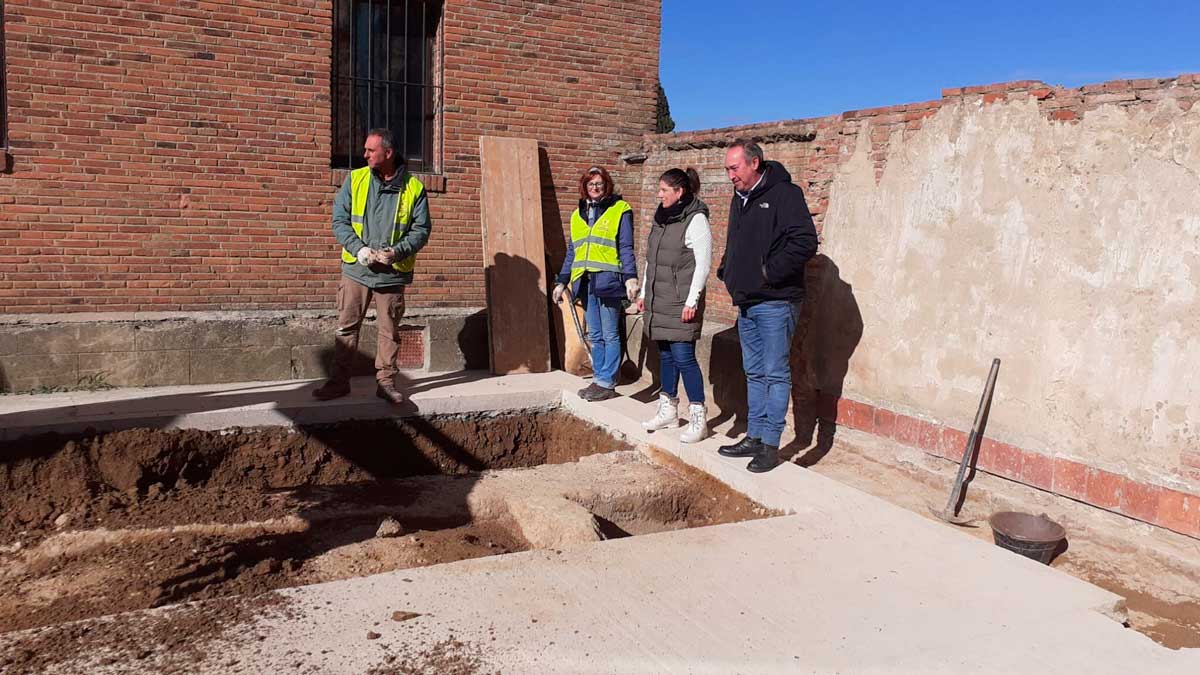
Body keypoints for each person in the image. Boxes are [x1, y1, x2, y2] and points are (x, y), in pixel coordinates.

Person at [716, 139, 818, 472]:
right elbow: (736, 241)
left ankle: (771, 445)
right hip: (747, 301)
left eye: (735, 167)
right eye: (728, 168)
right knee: (754, 372)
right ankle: (754, 436)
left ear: (755, 163)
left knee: (775, 373)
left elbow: (804, 241)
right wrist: (728, 269)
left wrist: (768, 272)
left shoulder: (785, 195)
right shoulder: (739, 198)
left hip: (776, 301)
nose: (731, 175)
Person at [312, 128, 431, 405]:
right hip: (357, 269)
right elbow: (339, 221)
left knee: (389, 331)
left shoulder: (414, 188)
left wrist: (397, 251)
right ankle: (338, 382)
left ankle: (386, 383)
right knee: (346, 328)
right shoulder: (355, 180)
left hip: (391, 272)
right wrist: (360, 249)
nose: (364, 154)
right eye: (365, 149)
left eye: (370, 150)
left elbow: (421, 229)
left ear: (387, 153)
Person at [637, 167, 712, 443]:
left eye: (664, 190)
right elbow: (650, 260)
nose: (659, 195)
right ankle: (668, 410)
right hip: (660, 299)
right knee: (665, 355)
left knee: (684, 357)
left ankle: (698, 417)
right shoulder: (661, 217)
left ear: (679, 192)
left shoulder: (697, 220)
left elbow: (703, 266)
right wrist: (645, 291)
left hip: (681, 301)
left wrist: (692, 301)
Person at [552, 167, 638, 402]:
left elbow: (626, 246)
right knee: (596, 334)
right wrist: (562, 281)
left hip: (608, 280)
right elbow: (573, 251)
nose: (595, 188)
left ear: (606, 185)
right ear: (585, 187)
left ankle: (607, 382)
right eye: (591, 184)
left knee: (610, 333)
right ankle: (599, 378)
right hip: (585, 281)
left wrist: (630, 277)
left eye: (599, 183)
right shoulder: (577, 215)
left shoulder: (620, 209)